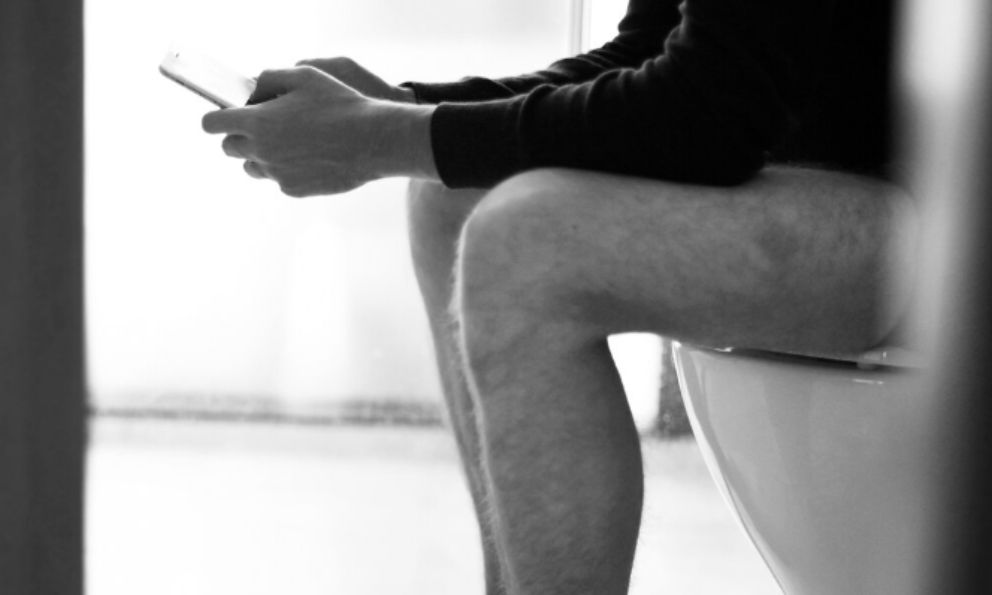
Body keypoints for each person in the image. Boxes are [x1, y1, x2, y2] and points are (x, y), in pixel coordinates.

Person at [202, 0, 916, 592]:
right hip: (843, 178)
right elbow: (652, 51)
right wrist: (408, 108)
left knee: (521, 244)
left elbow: (709, 112)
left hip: (940, 218)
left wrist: (380, 136)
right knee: (450, 198)